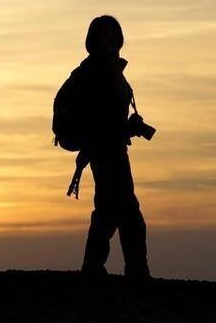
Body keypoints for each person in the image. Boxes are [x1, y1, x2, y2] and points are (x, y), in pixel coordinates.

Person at [73, 15, 150, 281]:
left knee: (108, 212)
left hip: (113, 149)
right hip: (105, 151)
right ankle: (135, 272)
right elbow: (101, 122)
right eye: (101, 35)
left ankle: (93, 268)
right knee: (128, 214)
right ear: (92, 41)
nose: (106, 40)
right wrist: (126, 129)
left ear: (119, 39)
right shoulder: (98, 73)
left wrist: (129, 126)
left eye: (111, 35)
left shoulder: (112, 71)